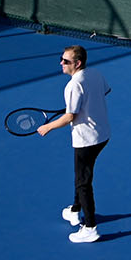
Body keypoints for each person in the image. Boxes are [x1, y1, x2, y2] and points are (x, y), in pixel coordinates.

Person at [37, 45, 110, 243]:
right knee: (82, 175)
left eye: (66, 61)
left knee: (83, 182)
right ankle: (75, 209)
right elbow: (104, 92)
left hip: (87, 140)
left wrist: (48, 127)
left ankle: (90, 227)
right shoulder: (95, 73)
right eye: (61, 58)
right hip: (103, 134)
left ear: (77, 64)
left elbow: (70, 116)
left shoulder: (73, 85)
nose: (61, 63)